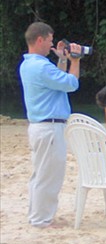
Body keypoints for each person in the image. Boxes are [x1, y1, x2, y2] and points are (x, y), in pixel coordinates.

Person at [19, 22, 82, 228]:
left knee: (41, 174)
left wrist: (62, 60)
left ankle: (38, 215)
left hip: (40, 126)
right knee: (50, 175)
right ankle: (41, 219)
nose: (51, 44)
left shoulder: (28, 65)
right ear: (40, 39)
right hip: (49, 127)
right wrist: (76, 61)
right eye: (49, 40)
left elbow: (57, 83)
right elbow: (71, 84)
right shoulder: (41, 66)